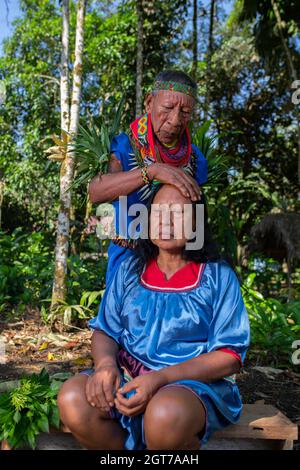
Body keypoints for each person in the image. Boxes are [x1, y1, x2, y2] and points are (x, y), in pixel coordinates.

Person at [57, 183, 251, 450]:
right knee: (73, 399)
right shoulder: (129, 270)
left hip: (192, 385)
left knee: (164, 415)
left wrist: (159, 379)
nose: (166, 221)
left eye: (178, 213)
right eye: (158, 211)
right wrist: (105, 366)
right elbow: (106, 330)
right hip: (129, 375)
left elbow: (229, 356)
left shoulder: (218, 276)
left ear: (196, 221)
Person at [88, 69, 208, 287]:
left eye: (185, 112)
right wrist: (151, 172)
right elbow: (96, 191)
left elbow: (197, 215)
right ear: (149, 102)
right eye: (168, 108)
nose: (175, 120)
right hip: (128, 261)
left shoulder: (195, 160)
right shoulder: (124, 147)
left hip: (176, 263)